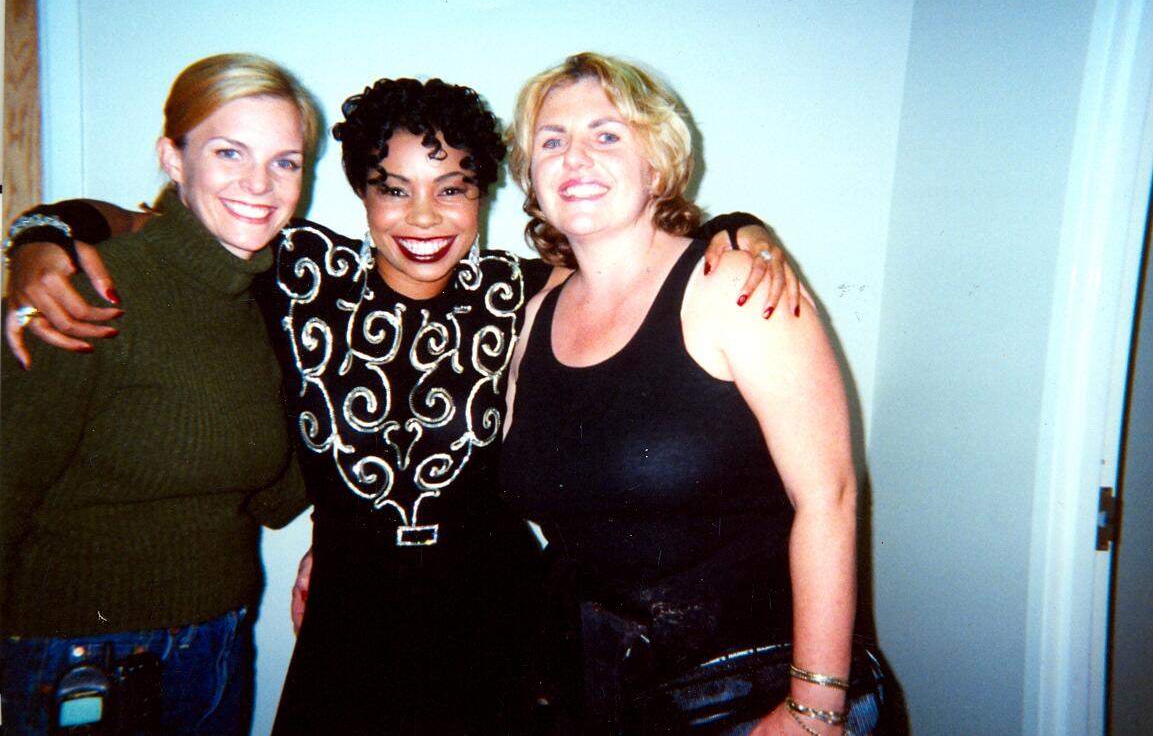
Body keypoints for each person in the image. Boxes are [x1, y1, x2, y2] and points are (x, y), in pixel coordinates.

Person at [4, 72, 800, 734]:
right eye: (394, 190)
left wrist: (740, 230)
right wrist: (41, 233)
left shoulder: (519, 292)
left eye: (452, 189)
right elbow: (154, 228)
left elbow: (649, 266)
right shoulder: (300, 275)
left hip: (499, 622)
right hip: (350, 623)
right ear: (362, 194)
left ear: (484, 196)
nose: (424, 217)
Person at [499, 52, 876, 735]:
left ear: (657, 162)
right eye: (551, 141)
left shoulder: (732, 284)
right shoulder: (533, 316)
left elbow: (831, 497)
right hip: (608, 695)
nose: (574, 157)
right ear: (531, 175)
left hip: (753, 693)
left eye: (606, 134)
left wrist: (814, 709)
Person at [0, 53, 319, 735]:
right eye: (229, 152)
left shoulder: (257, 300)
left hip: (218, 644)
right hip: (85, 657)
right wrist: (37, 234)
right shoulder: (90, 291)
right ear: (173, 158)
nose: (259, 184)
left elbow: (276, 496)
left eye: (285, 162)